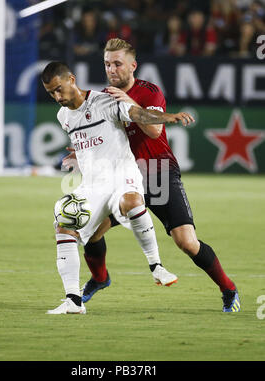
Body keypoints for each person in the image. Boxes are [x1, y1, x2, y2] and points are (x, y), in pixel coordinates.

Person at [63, 38, 240, 313]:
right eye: (107, 64)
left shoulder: (149, 92)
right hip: (122, 177)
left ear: (133, 65)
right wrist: (80, 152)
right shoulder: (102, 98)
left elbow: (155, 131)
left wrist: (128, 101)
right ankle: (100, 278)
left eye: (117, 64)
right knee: (90, 232)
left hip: (157, 172)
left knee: (186, 242)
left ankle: (228, 288)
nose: (112, 69)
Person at [41, 61, 194, 315]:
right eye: (51, 93)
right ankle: (73, 301)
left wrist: (168, 117)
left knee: (132, 201)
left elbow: (138, 115)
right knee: (64, 223)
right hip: (94, 185)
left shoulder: (104, 101)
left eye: (59, 89)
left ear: (71, 79)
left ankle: (157, 267)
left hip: (123, 175)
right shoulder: (63, 117)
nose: (57, 97)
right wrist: (79, 155)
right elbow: (90, 145)